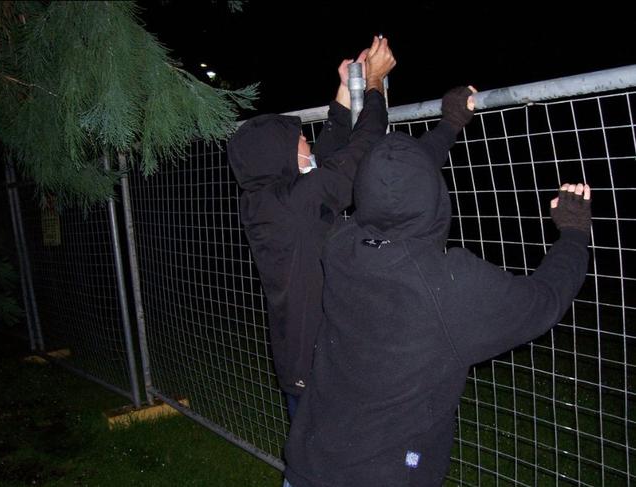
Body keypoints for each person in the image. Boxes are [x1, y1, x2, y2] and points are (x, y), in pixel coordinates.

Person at [284, 86, 592, 487]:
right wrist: (573, 233)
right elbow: (544, 301)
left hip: (310, 463)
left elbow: (392, 188)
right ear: (433, 193)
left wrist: (448, 126)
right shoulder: (449, 285)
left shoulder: (343, 245)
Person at [227, 36, 396, 419]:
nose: (307, 141)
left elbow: (326, 156)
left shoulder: (267, 197)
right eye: (300, 139)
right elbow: (360, 150)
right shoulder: (295, 203)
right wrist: (374, 86)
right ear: (282, 157)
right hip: (322, 373)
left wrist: (343, 89)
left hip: (301, 363)